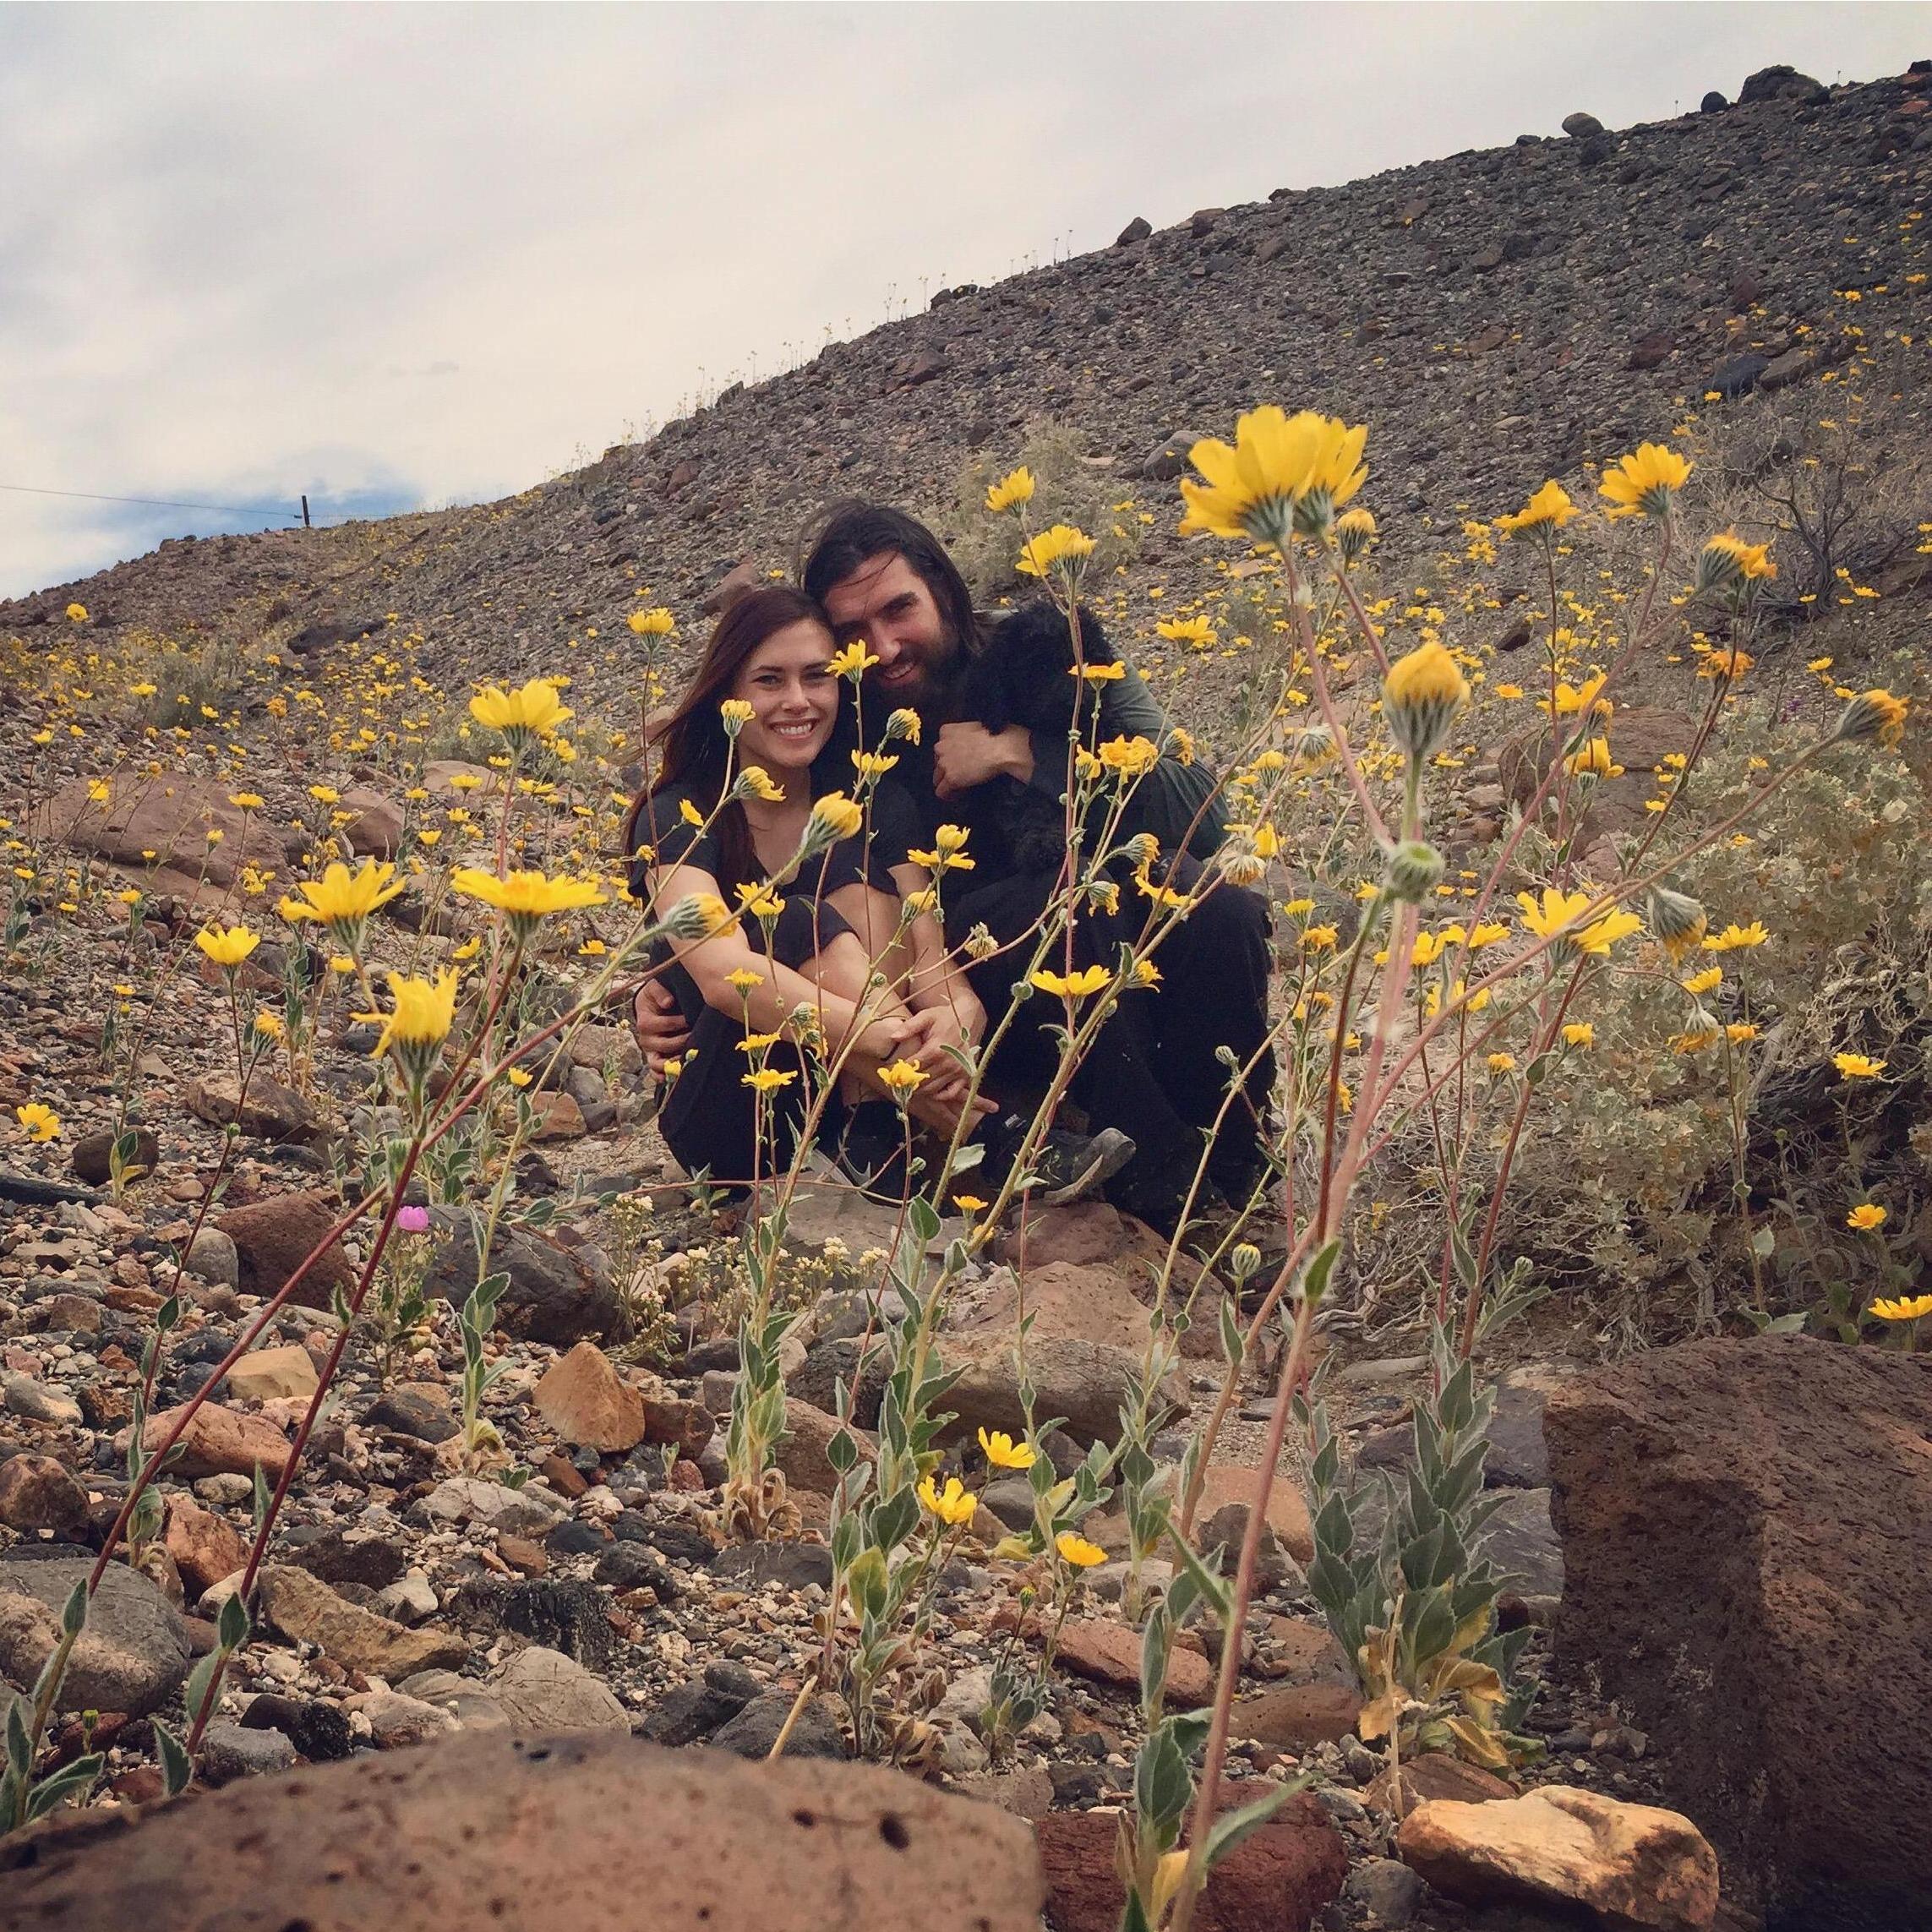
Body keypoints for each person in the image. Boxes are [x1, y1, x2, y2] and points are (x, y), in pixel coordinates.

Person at [636, 506, 1275, 1235]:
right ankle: (1123, 1171)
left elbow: (1203, 811)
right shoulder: (836, 717)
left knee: (1213, 905)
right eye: (852, 635)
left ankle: (1235, 1154)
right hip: (909, 976)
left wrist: (1022, 753)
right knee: (852, 908)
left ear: (941, 585)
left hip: (969, 952)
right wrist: (656, 977)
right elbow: (722, 871)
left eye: (899, 609)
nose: (882, 647)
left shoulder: (1044, 651)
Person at [621, 584, 990, 1193]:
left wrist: (956, 1017)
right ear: (729, 696)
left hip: (859, 1105)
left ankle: (876, 1132)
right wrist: (888, 1036)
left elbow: (928, 959)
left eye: (816, 677)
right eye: (769, 680)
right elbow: (721, 974)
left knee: (846, 871)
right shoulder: (679, 813)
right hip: (737, 1114)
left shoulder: (872, 796)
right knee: (789, 922)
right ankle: (989, 1141)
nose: (798, 701)